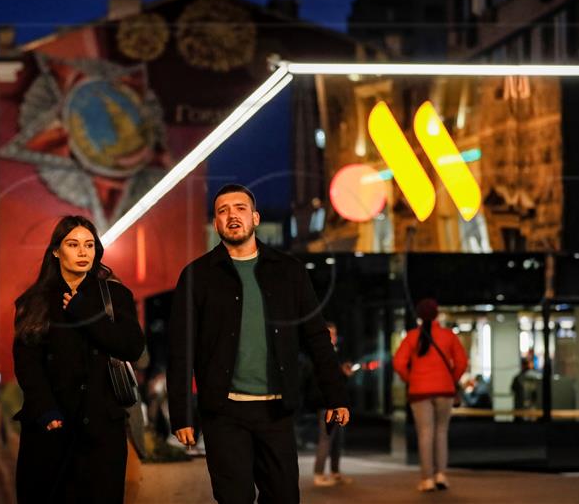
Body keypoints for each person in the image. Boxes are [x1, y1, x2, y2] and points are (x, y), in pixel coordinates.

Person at [168, 184, 349, 504]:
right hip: (223, 413)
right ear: (216, 224)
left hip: (275, 410)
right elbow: (181, 348)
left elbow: (316, 336)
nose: (231, 215)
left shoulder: (288, 271)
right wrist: (182, 414)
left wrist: (336, 395)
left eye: (239, 208)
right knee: (233, 498)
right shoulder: (197, 276)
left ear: (255, 217)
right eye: (222, 211)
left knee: (283, 497)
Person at [12, 215, 144, 503]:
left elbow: (131, 347)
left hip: (102, 431)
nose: (83, 252)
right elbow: (27, 364)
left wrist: (85, 313)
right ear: (56, 251)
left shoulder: (116, 296)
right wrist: (46, 410)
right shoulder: (34, 301)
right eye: (73, 244)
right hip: (51, 429)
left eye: (89, 245)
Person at [393, 298, 467, 493]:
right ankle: (441, 474)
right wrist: (451, 378)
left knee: (425, 434)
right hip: (445, 390)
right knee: (441, 432)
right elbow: (461, 362)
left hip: (419, 392)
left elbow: (398, 363)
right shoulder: (448, 336)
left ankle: (427, 479)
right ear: (437, 315)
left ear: (418, 315)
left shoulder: (411, 337)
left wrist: (411, 379)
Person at [312, 322, 354, 487]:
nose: (334, 338)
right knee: (326, 438)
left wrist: (343, 373)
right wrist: (340, 372)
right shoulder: (321, 354)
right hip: (326, 404)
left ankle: (335, 472)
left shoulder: (334, 353)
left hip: (337, 403)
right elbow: (322, 381)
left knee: (337, 440)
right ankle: (319, 473)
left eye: (335, 334)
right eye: (330, 334)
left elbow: (335, 381)